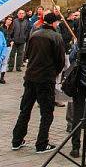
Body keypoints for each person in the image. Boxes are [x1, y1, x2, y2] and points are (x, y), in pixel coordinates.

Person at [11, 11, 65, 153]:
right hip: (45, 79)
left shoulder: (34, 34)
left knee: (25, 109)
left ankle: (16, 140)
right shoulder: (56, 37)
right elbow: (60, 61)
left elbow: (27, 54)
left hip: (30, 77)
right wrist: (53, 73)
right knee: (47, 112)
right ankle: (42, 143)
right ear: (54, 23)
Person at [0, 15, 13, 84]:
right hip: (1, 47)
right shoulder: (1, 28)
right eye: (8, 19)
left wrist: (12, 40)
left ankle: (2, 78)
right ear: (5, 20)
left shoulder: (11, 28)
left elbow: (12, 36)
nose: (9, 21)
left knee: (5, 62)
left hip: (8, 46)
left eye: (11, 20)